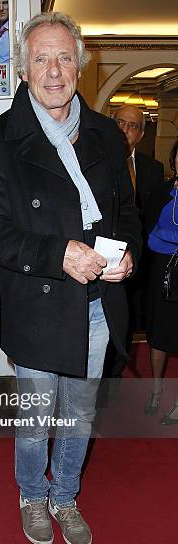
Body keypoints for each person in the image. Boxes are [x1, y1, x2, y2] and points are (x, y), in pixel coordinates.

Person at [0, 12, 141, 544]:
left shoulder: (107, 136)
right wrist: (56, 253)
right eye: (41, 58)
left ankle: (65, 496)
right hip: (41, 302)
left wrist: (128, 254)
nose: (53, 70)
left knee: (79, 413)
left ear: (80, 67)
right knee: (36, 416)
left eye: (64, 57)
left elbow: (129, 212)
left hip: (97, 302)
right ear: (23, 69)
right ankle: (31, 494)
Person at [104, 105, 165, 380]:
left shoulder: (153, 169)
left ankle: (117, 373)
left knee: (130, 321)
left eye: (133, 126)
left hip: (140, 259)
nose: (125, 130)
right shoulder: (98, 161)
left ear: (141, 134)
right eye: (120, 123)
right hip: (104, 258)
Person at [144, 139, 178, 424]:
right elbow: (147, 230)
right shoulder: (163, 191)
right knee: (158, 333)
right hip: (161, 271)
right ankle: (155, 390)